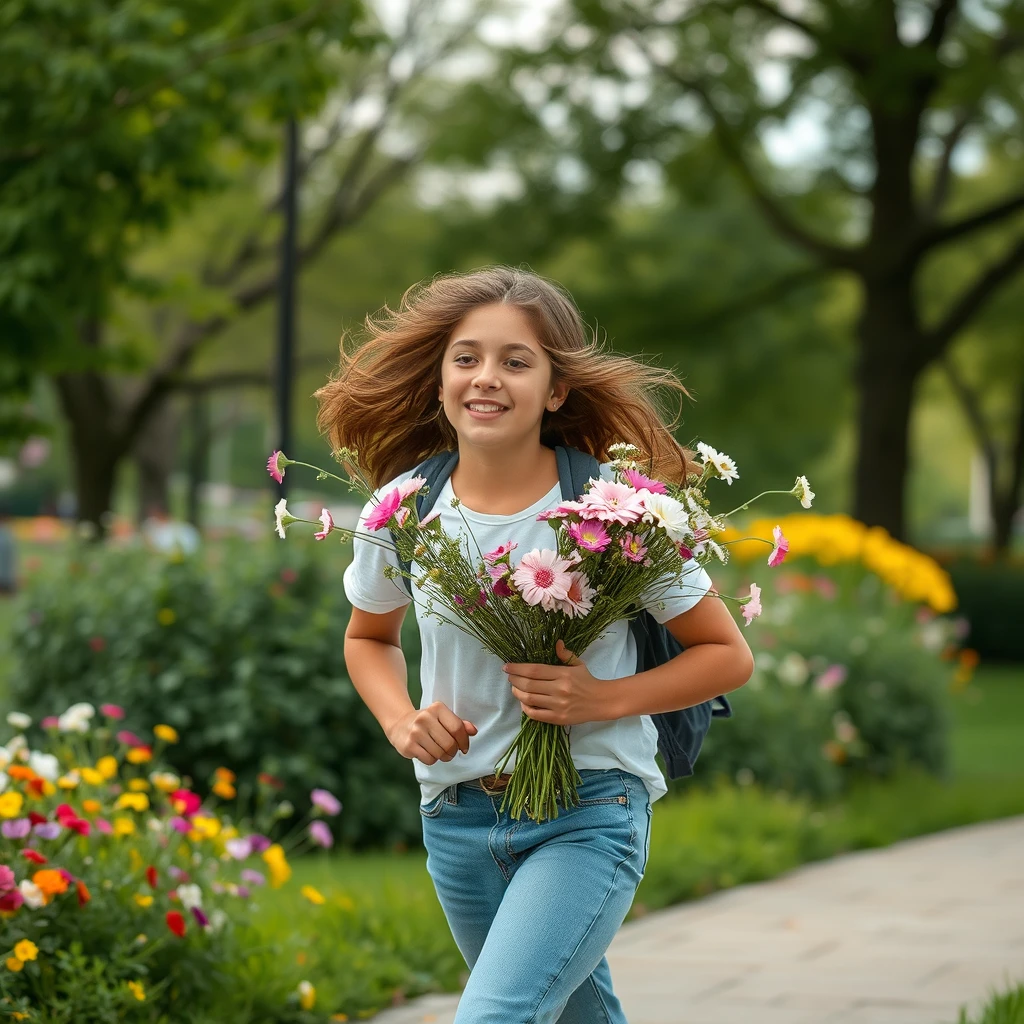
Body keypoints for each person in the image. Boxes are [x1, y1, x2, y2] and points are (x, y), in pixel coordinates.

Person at [319, 266, 754, 1023]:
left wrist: (602, 699)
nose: (487, 378)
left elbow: (727, 655)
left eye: (515, 361)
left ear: (555, 388)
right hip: (455, 814)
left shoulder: (617, 511)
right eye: (467, 358)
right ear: (441, 377)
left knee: (494, 1017)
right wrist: (399, 719)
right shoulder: (403, 509)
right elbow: (368, 637)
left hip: (588, 809)